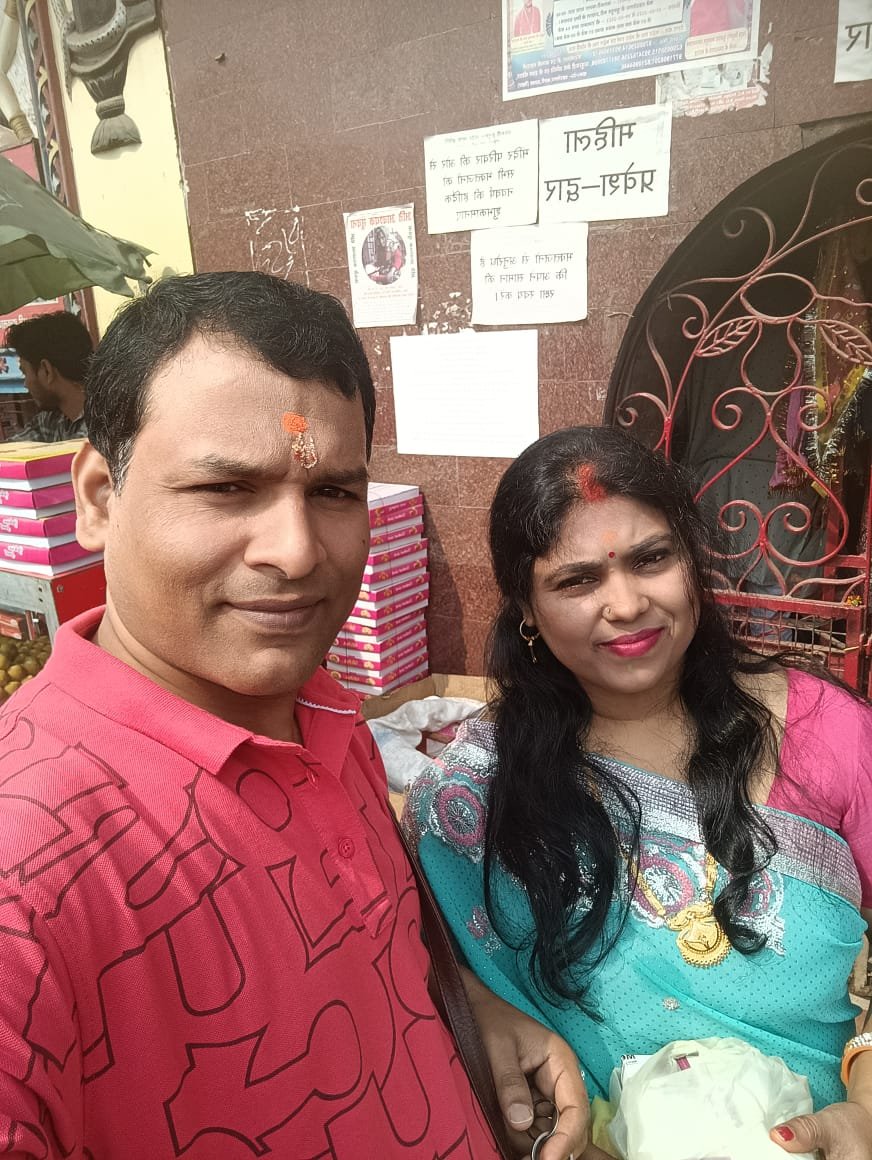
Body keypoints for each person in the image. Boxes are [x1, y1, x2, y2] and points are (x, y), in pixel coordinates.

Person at [0, 272, 589, 1160]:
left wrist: (463, 1010)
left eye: (333, 493)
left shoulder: (325, 714)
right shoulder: (26, 867)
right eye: (227, 489)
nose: (298, 551)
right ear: (97, 498)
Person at [406, 425, 872, 1158]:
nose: (625, 605)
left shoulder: (824, 729)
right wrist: (485, 1016)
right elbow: (419, 972)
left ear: (693, 559)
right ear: (526, 607)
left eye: (652, 559)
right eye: (576, 581)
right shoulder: (474, 795)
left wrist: (866, 1104)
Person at [4, 311, 92, 442]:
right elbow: (13, 447)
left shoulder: (102, 428)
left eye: (25, 373)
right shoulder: (53, 421)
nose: (26, 384)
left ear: (46, 370)